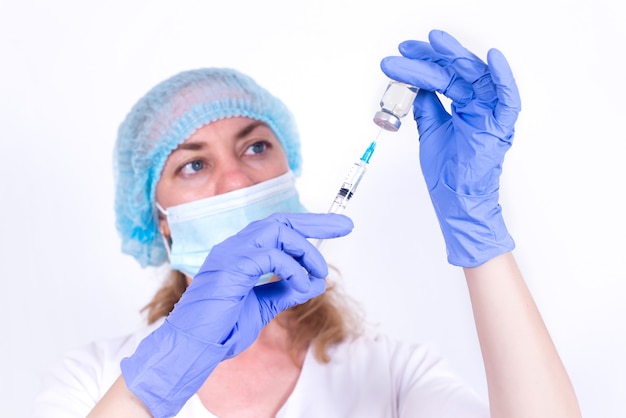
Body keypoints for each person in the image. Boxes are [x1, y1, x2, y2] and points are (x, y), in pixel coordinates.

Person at [33, 30, 582, 418]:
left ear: (288, 168)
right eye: (193, 164)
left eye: (255, 146)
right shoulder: (96, 378)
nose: (236, 181)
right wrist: (164, 371)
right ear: (158, 220)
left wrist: (477, 228)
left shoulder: (386, 374)